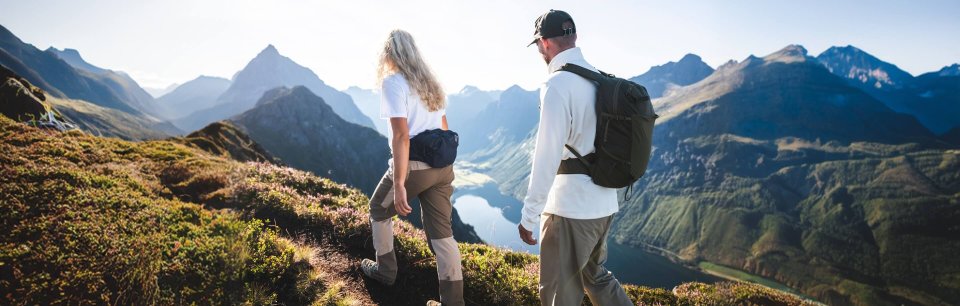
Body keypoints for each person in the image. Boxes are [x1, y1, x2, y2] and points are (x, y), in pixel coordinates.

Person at [517, 10, 632, 306]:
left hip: (569, 209)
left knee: (558, 293)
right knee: (595, 276)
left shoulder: (556, 85)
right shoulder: (599, 80)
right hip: (605, 202)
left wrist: (529, 216)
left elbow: (546, 157)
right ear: (574, 36)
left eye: (539, 46)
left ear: (544, 43)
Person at [359, 29, 464, 306]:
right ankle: (453, 302)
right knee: (443, 234)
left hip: (415, 166)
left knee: (378, 209)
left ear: (389, 54)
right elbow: (443, 125)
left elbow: (401, 136)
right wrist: (442, 164)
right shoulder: (429, 82)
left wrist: (399, 183)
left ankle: (385, 272)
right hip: (442, 167)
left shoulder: (393, 82)